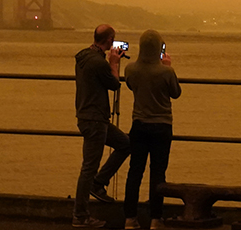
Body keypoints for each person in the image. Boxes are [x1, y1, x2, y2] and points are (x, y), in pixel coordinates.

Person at [122, 29, 181, 230]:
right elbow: (176, 93)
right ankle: (156, 219)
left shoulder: (131, 69)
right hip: (162, 126)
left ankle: (130, 218)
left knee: (134, 172)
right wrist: (168, 66)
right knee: (158, 174)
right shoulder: (166, 72)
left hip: (139, 125)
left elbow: (131, 86)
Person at [74, 24, 131, 228]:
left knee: (125, 143)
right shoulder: (98, 63)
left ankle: (99, 183)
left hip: (88, 116)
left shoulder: (82, 57)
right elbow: (114, 85)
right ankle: (80, 216)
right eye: (112, 40)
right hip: (95, 119)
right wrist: (114, 64)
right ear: (109, 40)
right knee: (88, 167)